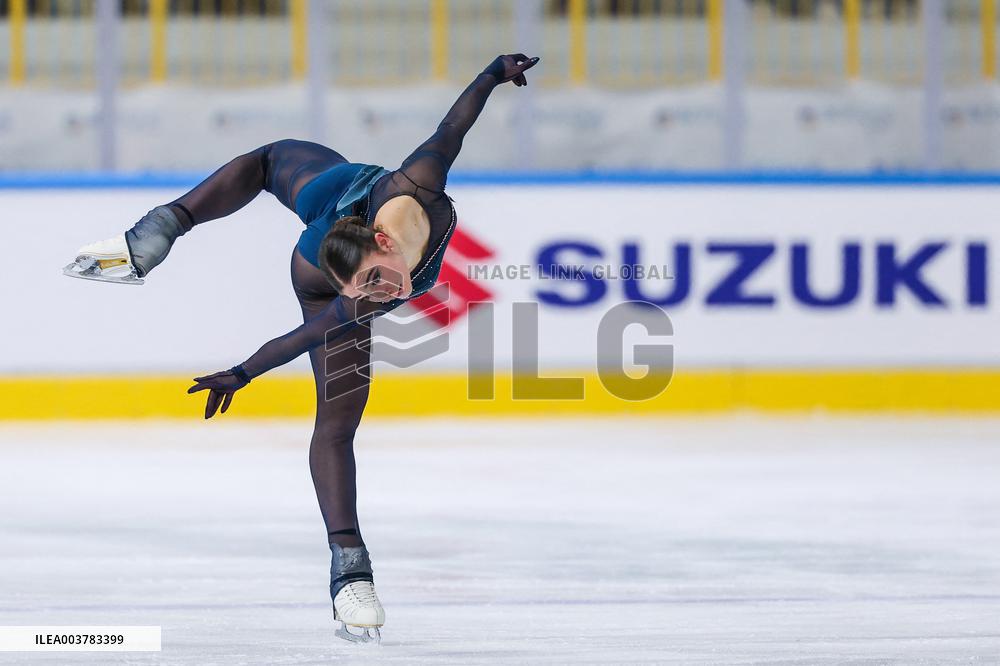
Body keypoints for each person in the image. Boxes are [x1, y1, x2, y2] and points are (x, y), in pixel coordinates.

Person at [63, 53, 540, 644]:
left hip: (337, 196)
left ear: (385, 240)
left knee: (275, 159)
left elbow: (453, 127)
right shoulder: (356, 294)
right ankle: (351, 570)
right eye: (368, 292)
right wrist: (241, 374)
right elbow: (305, 334)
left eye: (380, 281)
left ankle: (164, 224)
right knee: (336, 424)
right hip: (317, 269)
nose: (382, 296)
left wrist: (494, 73)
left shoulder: (418, 181)